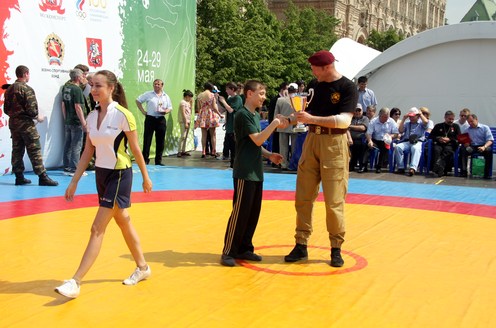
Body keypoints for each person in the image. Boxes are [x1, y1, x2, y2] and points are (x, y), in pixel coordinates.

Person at [55, 70, 153, 298]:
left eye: (99, 85)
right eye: (92, 85)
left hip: (120, 174)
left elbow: (136, 149)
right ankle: (143, 267)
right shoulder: (91, 116)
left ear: (111, 88)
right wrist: (74, 181)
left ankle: (75, 281)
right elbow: (88, 150)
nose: (94, 89)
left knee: (97, 228)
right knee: (124, 222)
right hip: (102, 174)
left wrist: (145, 176)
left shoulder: (123, 115)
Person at [283, 50, 358, 267]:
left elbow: (344, 121)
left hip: (334, 144)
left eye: (314, 67)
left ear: (326, 67)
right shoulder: (314, 86)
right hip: (311, 140)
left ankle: (336, 247)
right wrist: (288, 120)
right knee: (303, 196)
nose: (311, 72)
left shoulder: (347, 87)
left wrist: (310, 118)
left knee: (334, 200)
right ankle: (301, 244)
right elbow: (304, 113)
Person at [220, 80, 285, 267]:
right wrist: (274, 123)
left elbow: (255, 144)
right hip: (244, 171)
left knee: (252, 212)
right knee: (240, 212)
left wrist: (269, 155)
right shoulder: (242, 115)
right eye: (261, 93)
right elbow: (257, 140)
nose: (264, 97)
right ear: (249, 94)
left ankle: (244, 248)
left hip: (256, 171)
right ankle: (228, 251)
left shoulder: (254, 115)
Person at [3, 65, 58, 186]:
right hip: (26, 124)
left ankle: (19, 177)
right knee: (34, 150)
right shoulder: (26, 89)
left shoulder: (9, 89)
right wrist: (38, 117)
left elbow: (6, 109)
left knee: (17, 150)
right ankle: (42, 177)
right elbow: (32, 111)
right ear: (26, 74)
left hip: (14, 124)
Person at [136, 79, 173, 166]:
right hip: (150, 118)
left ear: (162, 86)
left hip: (161, 119)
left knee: (160, 141)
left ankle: (158, 161)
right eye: (155, 84)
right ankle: (145, 159)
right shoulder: (148, 94)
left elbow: (170, 107)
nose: (156, 86)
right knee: (147, 139)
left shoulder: (166, 96)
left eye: (158, 84)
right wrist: (143, 111)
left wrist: (166, 111)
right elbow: (138, 100)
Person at [61, 68, 87, 175]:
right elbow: (78, 107)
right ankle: (74, 168)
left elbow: (63, 105)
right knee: (77, 144)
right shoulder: (77, 90)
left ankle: (66, 166)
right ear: (77, 77)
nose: (83, 78)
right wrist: (83, 122)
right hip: (76, 121)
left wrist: (66, 118)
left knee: (68, 143)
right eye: (82, 76)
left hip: (68, 120)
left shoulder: (66, 88)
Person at [393, 107, 428, 176]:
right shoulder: (407, 123)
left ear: (417, 116)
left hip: (418, 141)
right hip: (408, 141)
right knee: (398, 147)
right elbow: (400, 130)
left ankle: (412, 168)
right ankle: (401, 167)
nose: (411, 118)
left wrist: (420, 114)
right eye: (410, 116)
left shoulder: (421, 123)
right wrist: (403, 119)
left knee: (415, 148)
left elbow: (426, 122)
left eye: (412, 116)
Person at [459, 114, 494, 179]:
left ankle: (487, 173)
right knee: (463, 149)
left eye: (472, 121)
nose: (470, 123)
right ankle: (464, 171)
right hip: (472, 147)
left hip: (483, 145)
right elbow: (463, 140)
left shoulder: (485, 128)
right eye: (469, 122)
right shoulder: (467, 130)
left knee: (489, 150)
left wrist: (484, 147)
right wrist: (466, 144)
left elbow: (490, 140)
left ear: (476, 120)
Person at [365, 107, 399, 173]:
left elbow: (396, 134)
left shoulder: (391, 121)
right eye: (383, 117)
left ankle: (379, 166)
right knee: (366, 145)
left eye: (387, 117)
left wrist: (390, 136)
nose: (385, 119)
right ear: (379, 115)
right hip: (375, 139)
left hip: (385, 140)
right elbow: (368, 133)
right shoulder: (373, 121)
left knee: (385, 146)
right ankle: (363, 165)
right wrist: (370, 141)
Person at [219, 82, 243, 168]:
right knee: (228, 145)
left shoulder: (238, 99)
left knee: (234, 148)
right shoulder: (229, 99)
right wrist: (216, 102)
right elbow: (223, 110)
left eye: (227, 89)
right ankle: (232, 164)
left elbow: (231, 110)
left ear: (232, 89)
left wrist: (223, 101)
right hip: (229, 126)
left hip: (234, 127)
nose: (226, 91)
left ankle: (235, 164)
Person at [274, 83, 298, 170]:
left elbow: (276, 114)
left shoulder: (280, 100)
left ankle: (284, 164)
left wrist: (275, 125)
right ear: (296, 90)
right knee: (294, 147)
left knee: (283, 147)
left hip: (282, 125)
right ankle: (294, 164)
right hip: (294, 126)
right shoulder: (298, 100)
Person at [429, 110, 460, 177]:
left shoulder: (456, 127)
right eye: (449, 119)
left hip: (450, 145)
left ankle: (439, 167)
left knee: (447, 151)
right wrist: (439, 138)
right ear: (445, 118)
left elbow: (458, 138)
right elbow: (431, 136)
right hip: (439, 144)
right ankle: (439, 169)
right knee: (437, 150)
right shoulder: (438, 126)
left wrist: (449, 139)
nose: (451, 121)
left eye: (452, 119)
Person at [196, 82, 223, 158]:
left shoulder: (199, 95)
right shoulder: (212, 95)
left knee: (203, 134)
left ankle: (203, 151)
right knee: (213, 134)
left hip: (203, 114)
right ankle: (213, 151)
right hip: (211, 114)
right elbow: (214, 107)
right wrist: (219, 114)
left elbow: (198, 107)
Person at [267, 82, 288, 156]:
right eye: (287, 89)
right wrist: (272, 125)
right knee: (276, 142)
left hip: (284, 124)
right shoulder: (275, 99)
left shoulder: (287, 99)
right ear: (283, 89)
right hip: (276, 124)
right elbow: (271, 113)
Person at [347, 103, 369, 173]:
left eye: (359, 110)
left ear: (362, 111)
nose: (357, 112)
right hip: (351, 138)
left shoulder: (365, 118)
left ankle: (362, 165)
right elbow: (346, 129)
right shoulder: (350, 118)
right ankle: (351, 165)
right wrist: (349, 138)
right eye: (356, 110)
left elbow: (362, 128)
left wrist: (350, 126)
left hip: (361, 139)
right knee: (350, 144)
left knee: (362, 145)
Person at [177, 89, 194, 157]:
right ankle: (179, 151)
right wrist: (185, 122)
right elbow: (183, 112)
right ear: (186, 96)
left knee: (186, 136)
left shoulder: (188, 102)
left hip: (188, 120)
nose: (190, 98)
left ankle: (183, 150)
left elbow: (190, 111)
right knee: (183, 136)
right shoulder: (183, 102)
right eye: (190, 97)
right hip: (183, 121)